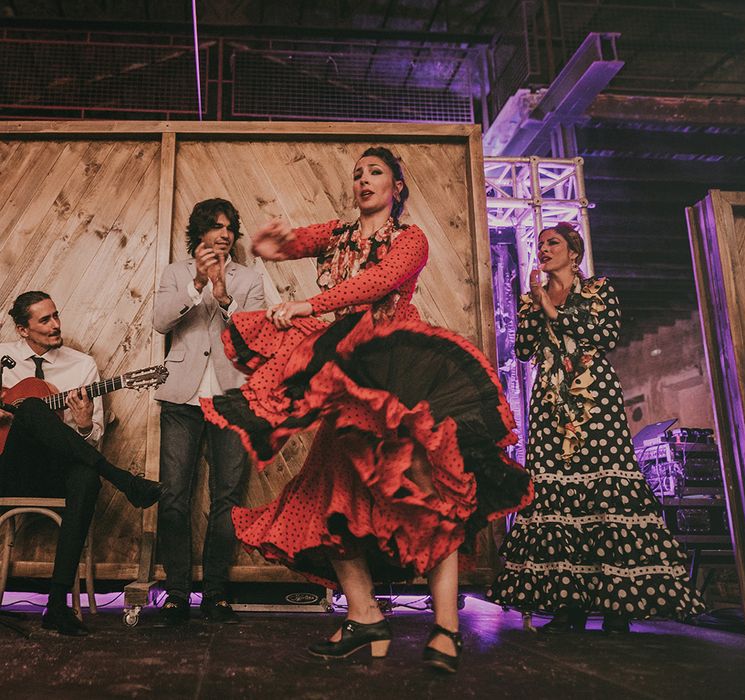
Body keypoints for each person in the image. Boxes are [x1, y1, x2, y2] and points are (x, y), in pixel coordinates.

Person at [200, 147, 533, 672]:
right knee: (327, 497)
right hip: (346, 382)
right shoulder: (339, 233)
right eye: (357, 174)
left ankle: (446, 629)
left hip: (397, 377)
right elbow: (293, 242)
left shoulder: (410, 239)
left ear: (396, 186)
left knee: (426, 495)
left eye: (374, 172)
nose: (363, 180)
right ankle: (365, 617)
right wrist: (270, 246)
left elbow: (373, 284)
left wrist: (310, 304)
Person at [488, 223, 705, 632]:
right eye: (540, 244)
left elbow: (602, 335)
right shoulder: (533, 299)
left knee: (605, 496)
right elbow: (523, 348)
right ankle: (570, 606)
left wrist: (552, 310)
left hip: (594, 401)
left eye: (553, 242)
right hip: (552, 401)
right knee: (559, 495)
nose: (544, 248)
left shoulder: (598, 290)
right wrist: (534, 306)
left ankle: (617, 607)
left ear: (574, 252)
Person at [0, 291, 164, 636]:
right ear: (22, 329)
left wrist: (86, 423)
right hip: (9, 470)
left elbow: (93, 440)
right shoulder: (2, 356)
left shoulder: (82, 366)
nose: (56, 324)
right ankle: (123, 480)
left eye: (56, 315)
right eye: (44, 319)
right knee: (30, 406)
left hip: (53, 472)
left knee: (86, 476)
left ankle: (56, 605)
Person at [152, 198, 265, 626]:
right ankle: (177, 591)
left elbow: (254, 338)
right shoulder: (175, 273)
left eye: (230, 228)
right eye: (216, 227)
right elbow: (161, 323)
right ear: (199, 233)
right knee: (174, 498)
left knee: (228, 499)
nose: (224, 234)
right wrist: (196, 283)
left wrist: (222, 297)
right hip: (181, 398)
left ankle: (216, 591)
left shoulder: (248, 278)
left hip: (231, 396)